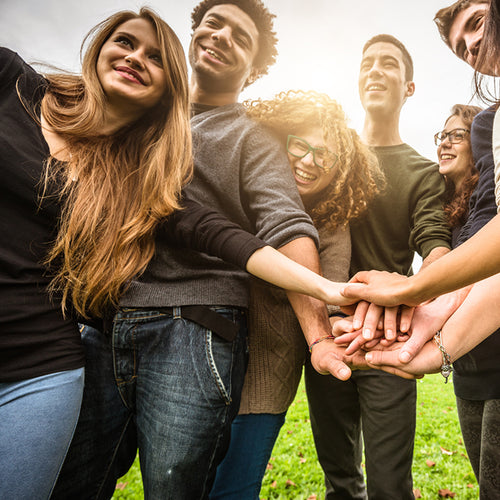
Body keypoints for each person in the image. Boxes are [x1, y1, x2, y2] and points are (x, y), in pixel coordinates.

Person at [52, 2, 356, 499]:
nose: (221, 36)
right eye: (213, 23)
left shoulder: (252, 139)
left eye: (240, 35)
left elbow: (287, 224)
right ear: (193, 34)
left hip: (190, 330)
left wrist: (319, 337)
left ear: (255, 67)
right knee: (71, 482)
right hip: (102, 326)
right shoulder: (137, 116)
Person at [210, 89, 382, 499]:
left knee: (233, 488)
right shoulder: (237, 192)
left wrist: (345, 326)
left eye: (324, 155)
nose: (308, 161)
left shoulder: (334, 226)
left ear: (340, 169)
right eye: (300, 146)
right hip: (203, 356)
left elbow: (329, 294)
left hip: (267, 375)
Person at [305, 34, 451, 500]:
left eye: (389, 64)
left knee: (390, 487)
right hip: (327, 336)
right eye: (367, 62)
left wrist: (425, 288)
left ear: (409, 87)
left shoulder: (422, 172)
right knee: (340, 482)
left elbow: (436, 248)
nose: (375, 70)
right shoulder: (329, 158)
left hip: (387, 340)